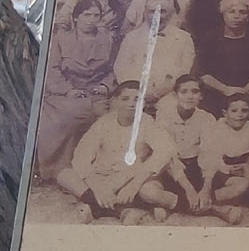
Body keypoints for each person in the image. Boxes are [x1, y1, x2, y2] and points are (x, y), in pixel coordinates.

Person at [56, 80, 177, 225]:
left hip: (130, 177)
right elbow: (82, 155)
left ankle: (95, 206)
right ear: (116, 101)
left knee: (149, 191)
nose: (131, 104)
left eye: (137, 99)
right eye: (125, 99)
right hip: (103, 176)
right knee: (65, 175)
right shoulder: (104, 122)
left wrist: (134, 185)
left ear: (143, 103)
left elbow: (165, 151)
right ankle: (121, 210)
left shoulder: (147, 123)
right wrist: (96, 186)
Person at [36, 0, 118, 178]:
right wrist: (68, 90)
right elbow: (53, 70)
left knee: (106, 118)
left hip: (97, 93)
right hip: (66, 93)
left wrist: (105, 86)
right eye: (86, 15)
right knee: (63, 118)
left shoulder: (108, 40)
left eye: (96, 15)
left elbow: (114, 69)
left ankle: (98, 171)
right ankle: (56, 169)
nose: (91, 20)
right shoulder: (61, 39)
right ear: (75, 18)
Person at [154, 74, 218, 216]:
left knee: (235, 187)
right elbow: (167, 153)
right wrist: (189, 189)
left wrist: (206, 187)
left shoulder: (207, 118)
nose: (190, 96)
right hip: (171, 169)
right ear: (175, 95)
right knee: (150, 190)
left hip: (195, 166)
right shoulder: (164, 115)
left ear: (201, 96)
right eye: (184, 92)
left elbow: (209, 153)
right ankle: (215, 209)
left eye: (195, 92)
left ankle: (170, 206)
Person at [196, 0, 249, 115]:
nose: (236, 16)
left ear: (248, 16)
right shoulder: (211, 38)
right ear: (223, 14)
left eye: (242, 12)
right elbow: (202, 72)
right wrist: (225, 90)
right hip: (215, 96)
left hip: (247, 97)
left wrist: (242, 92)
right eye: (231, 12)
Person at [199, 95, 249, 219]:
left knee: (248, 181)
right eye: (234, 111)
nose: (239, 115)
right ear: (225, 113)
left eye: (244, 111)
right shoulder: (218, 129)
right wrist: (229, 169)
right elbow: (213, 159)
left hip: (243, 165)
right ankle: (205, 200)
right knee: (244, 185)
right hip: (221, 170)